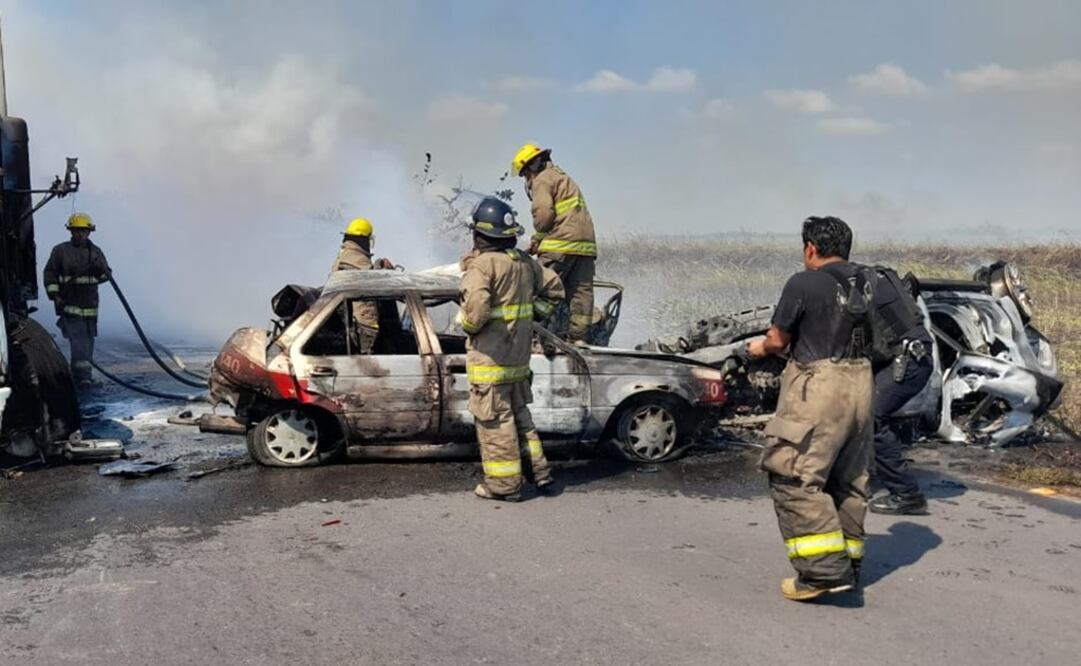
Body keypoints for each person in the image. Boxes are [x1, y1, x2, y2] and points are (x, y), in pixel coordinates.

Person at [746, 216, 874, 602]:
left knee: (793, 475)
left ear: (810, 249)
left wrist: (758, 349)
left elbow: (779, 338)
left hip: (819, 387)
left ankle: (821, 573)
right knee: (848, 480)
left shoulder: (802, 282)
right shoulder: (870, 281)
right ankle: (848, 564)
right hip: (863, 385)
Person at [458, 196, 565, 501]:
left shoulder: (482, 266)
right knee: (520, 419)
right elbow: (556, 289)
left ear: (479, 234)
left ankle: (505, 486)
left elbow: (475, 315)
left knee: (496, 425)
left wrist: (465, 324)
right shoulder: (524, 263)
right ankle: (540, 474)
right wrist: (533, 315)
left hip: (490, 364)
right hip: (516, 363)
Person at [865, 267, 934, 515]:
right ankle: (856, 481)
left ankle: (907, 494)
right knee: (855, 410)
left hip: (908, 361)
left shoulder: (857, 286)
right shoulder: (875, 277)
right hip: (910, 356)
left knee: (871, 418)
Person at [512, 143, 596, 344]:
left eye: (524, 174)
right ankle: (579, 339)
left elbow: (544, 215)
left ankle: (530, 334)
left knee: (539, 287)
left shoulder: (542, 180)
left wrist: (538, 237)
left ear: (531, 168)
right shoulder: (563, 177)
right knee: (580, 293)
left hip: (559, 244)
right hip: (585, 245)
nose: (526, 179)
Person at [43, 212, 112, 388]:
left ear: (89, 232)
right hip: (70, 305)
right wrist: (55, 296)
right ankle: (83, 377)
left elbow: (107, 276)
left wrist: (99, 270)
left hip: (90, 307)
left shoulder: (95, 252)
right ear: (71, 231)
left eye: (83, 231)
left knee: (87, 342)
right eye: (76, 230)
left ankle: (80, 375)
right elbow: (50, 275)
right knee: (79, 341)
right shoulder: (60, 251)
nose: (80, 234)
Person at [329, 217, 393, 354]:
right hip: (363, 326)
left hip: (354, 324)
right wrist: (385, 270)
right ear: (365, 239)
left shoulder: (345, 256)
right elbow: (372, 283)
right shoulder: (356, 259)